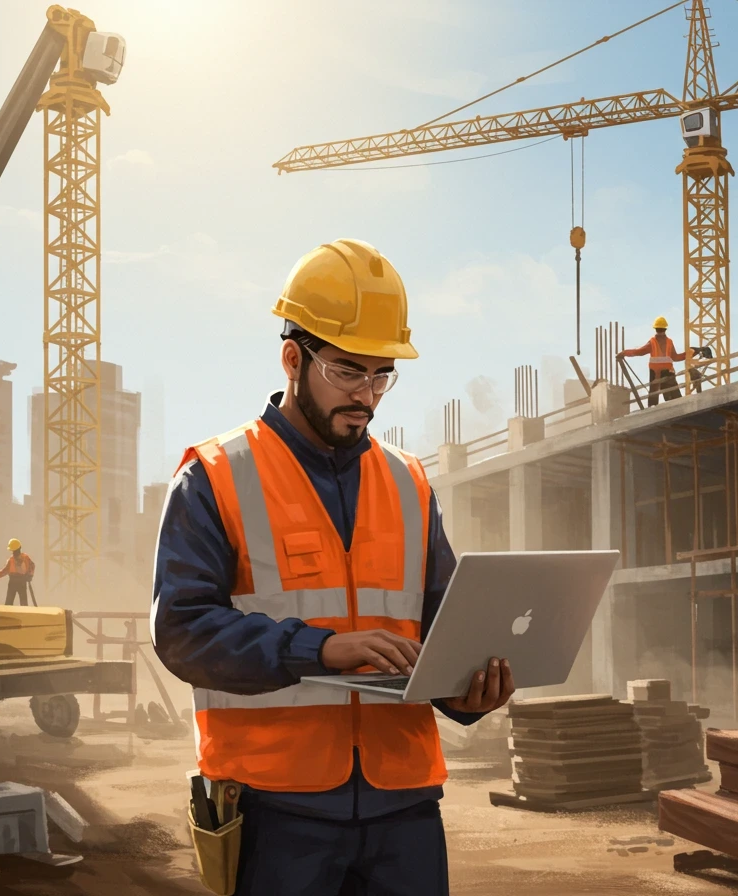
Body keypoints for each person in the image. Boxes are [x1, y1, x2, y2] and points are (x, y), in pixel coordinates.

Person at [151, 238, 517, 896]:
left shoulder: (409, 482)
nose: (368, 396)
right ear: (294, 358)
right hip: (273, 806)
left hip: (405, 805)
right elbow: (182, 630)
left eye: (382, 375)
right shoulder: (215, 475)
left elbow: (443, 627)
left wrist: (466, 694)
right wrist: (320, 649)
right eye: (349, 371)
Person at [618, 316, 686, 407]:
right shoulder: (669, 342)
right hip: (668, 373)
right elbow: (676, 357)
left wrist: (624, 353)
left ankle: (652, 410)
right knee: (676, 399)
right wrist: (691, 353)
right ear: (665, 329)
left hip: (655, 374)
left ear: (655, 329)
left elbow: (639, 352)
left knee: (653, 398)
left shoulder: (652, 342)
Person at [0, 538, 35, 606]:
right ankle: (9, 613)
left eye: (15, 551)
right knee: (9, 603)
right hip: (14, 582)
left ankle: (24, 614)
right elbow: (4, 571)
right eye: (14, 551)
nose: (14, 553)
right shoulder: (12, 560)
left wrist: (30, 575)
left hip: (21, 582)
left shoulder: (25, 558)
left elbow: (32, 566)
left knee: (23, 603)